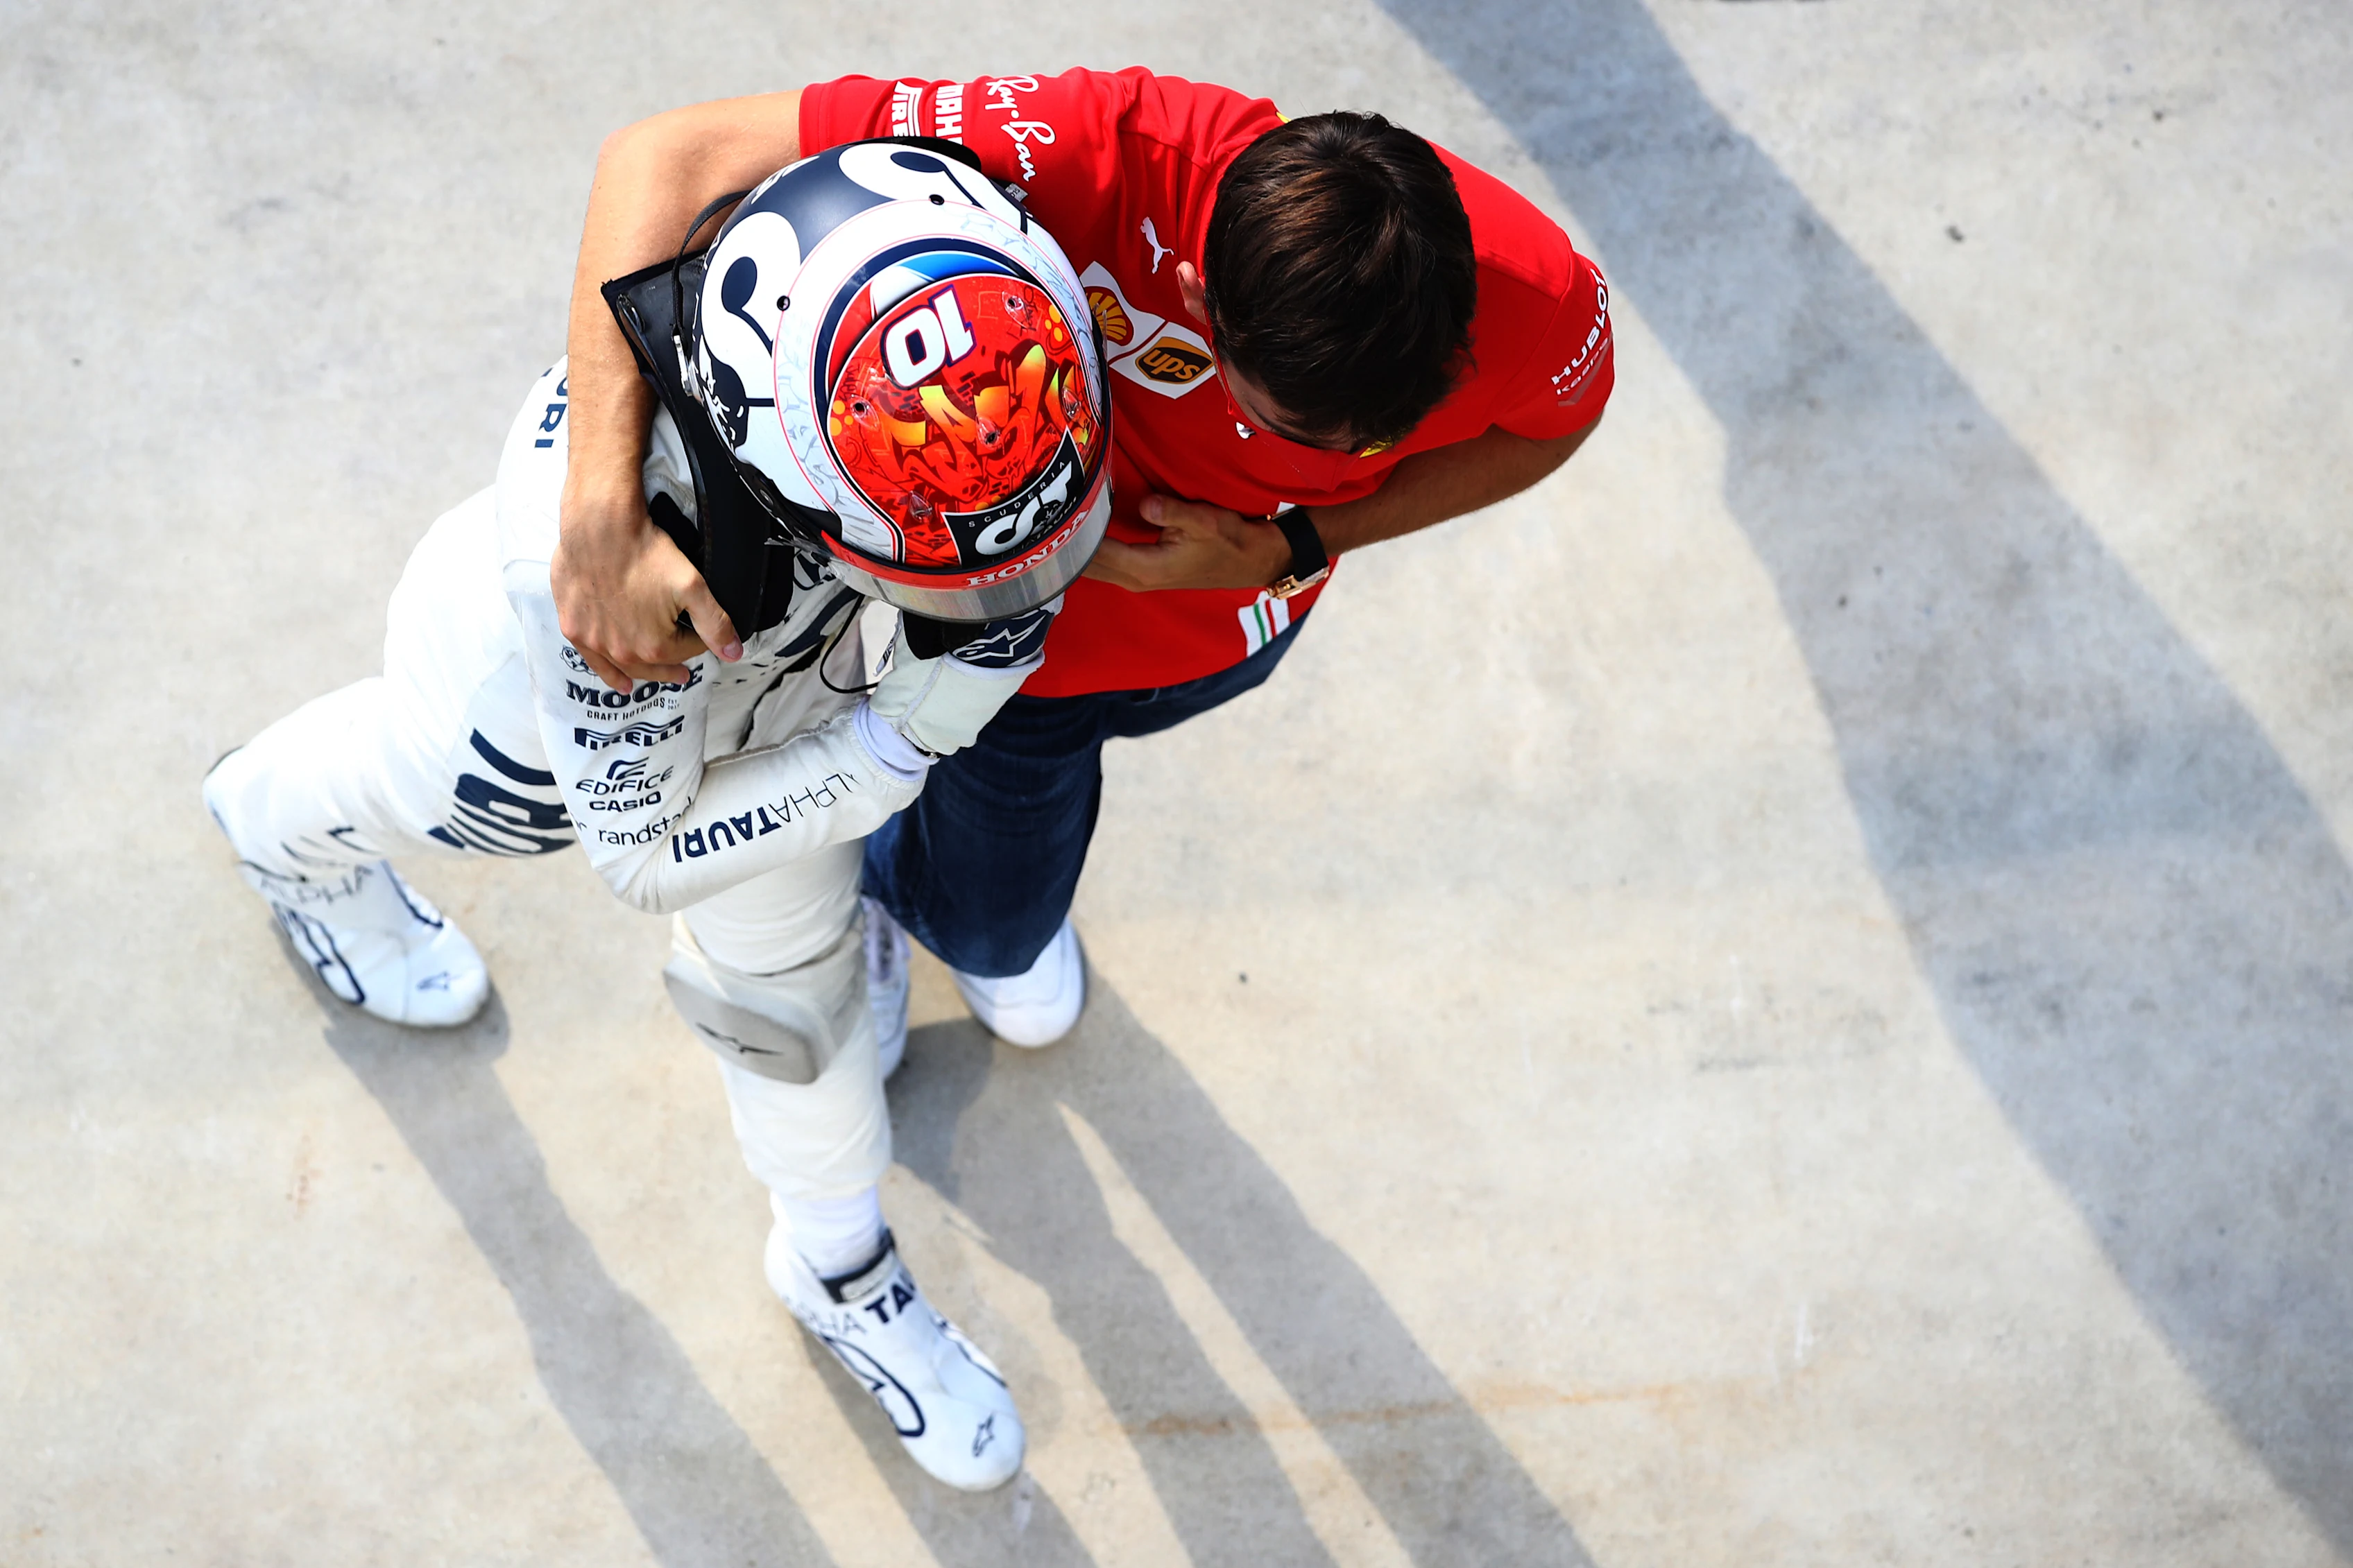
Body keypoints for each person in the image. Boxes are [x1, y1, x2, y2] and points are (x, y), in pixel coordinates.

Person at [202, 143, 1120, 1490]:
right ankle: (269, 831)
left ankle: (834, 1264)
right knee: (416, 776)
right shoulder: (616, 571)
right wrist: (892, 745)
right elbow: (638, 852)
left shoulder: (918, 247)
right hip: (535, 722)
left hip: (791, 707)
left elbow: (676, 145)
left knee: (787, 1014)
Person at [555, 70, 1618, 1049]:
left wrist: (1298, 543)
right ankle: (882, 911)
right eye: (1311, 432)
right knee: (994, 931)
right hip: (1007, 661)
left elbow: (1560, 419)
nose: (1355, 463)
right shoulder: (1084, 144)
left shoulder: (1526, 291)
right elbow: (663, 156)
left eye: (1382, 442)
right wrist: (600, 504)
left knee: (1001, 901)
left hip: (1234, 631)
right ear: (1201, 305)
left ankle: (925, 899)